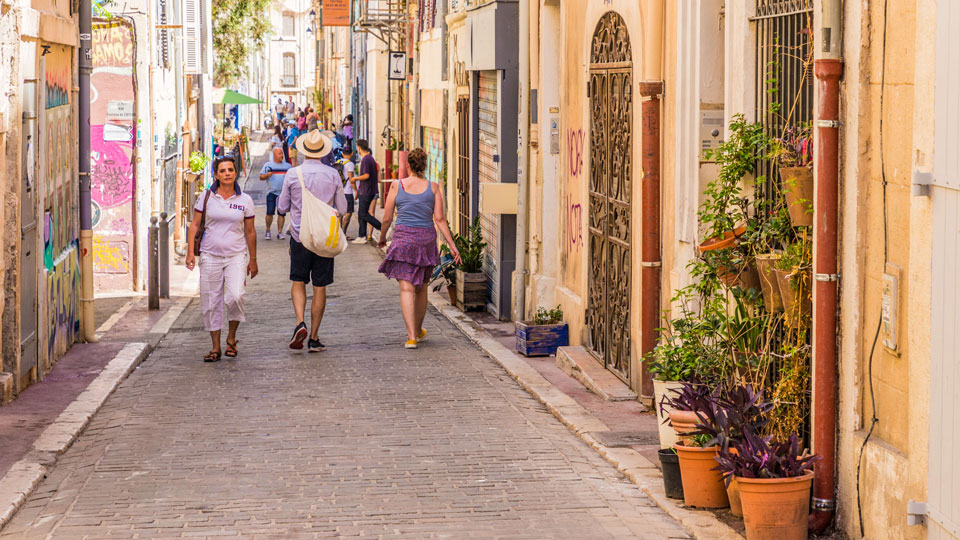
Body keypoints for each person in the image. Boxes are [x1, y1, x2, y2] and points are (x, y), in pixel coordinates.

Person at [378, 148, 460, 349]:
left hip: (404, 239)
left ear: (407, 165)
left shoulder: (398, 186)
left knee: (406, 288)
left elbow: (387, 217)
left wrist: (381, 238)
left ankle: (411, 336)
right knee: (422, 287)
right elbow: (439, 219)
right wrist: (452, 244)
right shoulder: (433, 188)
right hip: (425, 240)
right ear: (425, 166)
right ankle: (418, 329)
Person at [278, 130, 347, 352]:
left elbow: (282, 207)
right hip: (324, 238)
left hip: (300, 237)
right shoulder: (333, 175)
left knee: (298, 282)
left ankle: (300, 322)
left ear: (304, 150)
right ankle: (314, 338)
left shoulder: (292, 174)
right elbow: (342, 210)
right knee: (320, 287)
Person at [186, 156, 258, 362]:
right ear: (216, 174)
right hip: (210, 255)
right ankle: (215, 347)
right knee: (211, 301)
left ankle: (232, 338)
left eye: (230, 170)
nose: (227, 173)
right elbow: (194, 225)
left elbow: (250, 231)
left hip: (236, 255)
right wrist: (191, 252)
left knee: (236, 296)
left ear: (235, 173)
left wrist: (253, 260)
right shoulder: (206, 197)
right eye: (223, 170)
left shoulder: (245, 200)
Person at [353, 139, 382, 244]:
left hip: (367, 191)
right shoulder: (370, 158)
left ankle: (381, 227)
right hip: (367, 190)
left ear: (359, 148)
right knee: (362, 214)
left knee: (364, 214)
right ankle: (362, 235)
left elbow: (366, 175)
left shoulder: (366, 160)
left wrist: (355, 179)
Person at [259, 147, 290, 240]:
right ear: (274, 155)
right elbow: (261, 177)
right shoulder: (268, 165)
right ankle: (268, 231)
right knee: (269, 213)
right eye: (279, 153)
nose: (282, 155)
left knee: (282, 214)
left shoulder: (287, 166)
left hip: (283, 193)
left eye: (282, 153)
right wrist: (266, 175)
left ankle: (279, 232)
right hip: (271, 192)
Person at [340, 145, 357, 240]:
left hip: (339, 191)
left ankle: (338, 234)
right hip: (347, 191)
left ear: (342, 154)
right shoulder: (350, 164)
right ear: (351, 153)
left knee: (339, 213)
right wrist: (356, 190)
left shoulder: (339, 162)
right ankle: (343, 233)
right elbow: (351, 179)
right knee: (348, 212)